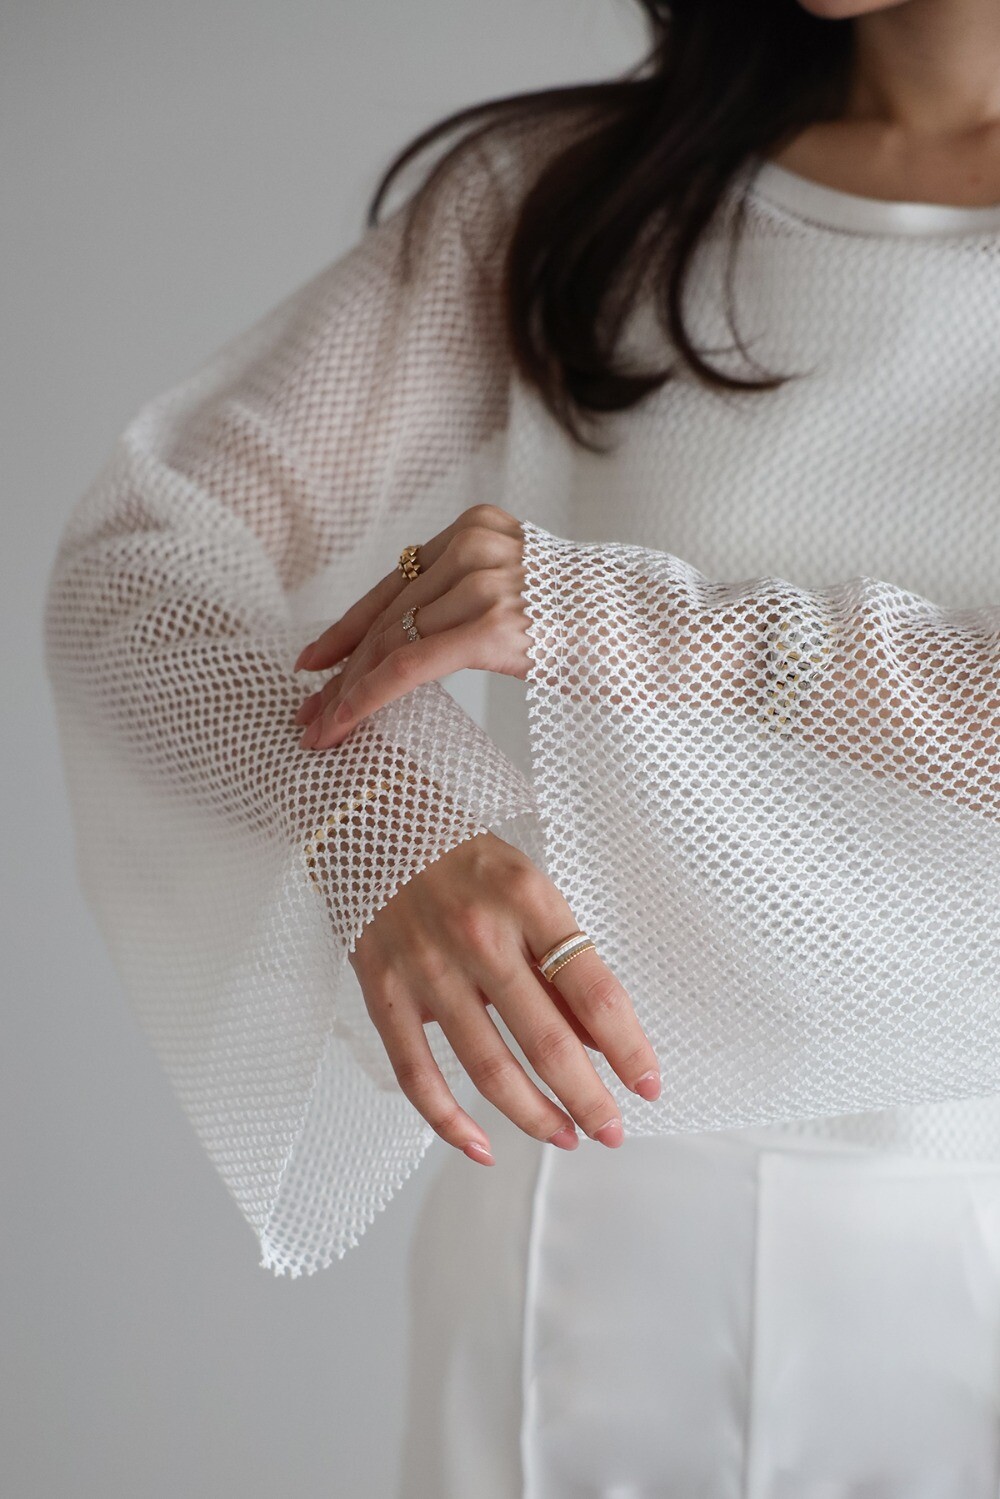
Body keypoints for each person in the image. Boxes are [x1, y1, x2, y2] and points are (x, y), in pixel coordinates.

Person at [43, 0, 1000, 1494]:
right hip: (582, 1231)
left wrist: (651, 625)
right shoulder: (576, 199)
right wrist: (374, 813)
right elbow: (138, 560)